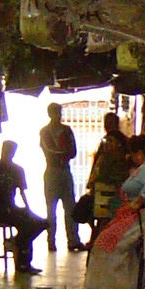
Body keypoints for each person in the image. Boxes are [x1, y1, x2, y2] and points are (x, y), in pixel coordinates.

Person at [0, 141, 48, 276]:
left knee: (41, 223)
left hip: (12, 208)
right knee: (27, 226)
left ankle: (16, 243)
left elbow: (22, 191)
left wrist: (28, 209)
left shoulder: (17, 170)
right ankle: (23, 261)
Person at [104, 135, 145, 289]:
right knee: (110, 246)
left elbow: (144, 195)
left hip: (138, 219)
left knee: (116, 251)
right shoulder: (141, 169)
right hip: (130, 217)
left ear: (140, 153)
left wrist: (136, 203)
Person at [39, 103, 84, 252]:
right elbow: (50, 151)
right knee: (51, 209)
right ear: (49, 113)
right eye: (56, 112)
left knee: (70, 208)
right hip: (53, 171)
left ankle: (73, 240)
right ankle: (51, 241)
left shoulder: (66, 130)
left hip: (63, 170)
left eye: (59, 112)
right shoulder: (44, 132)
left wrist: (59, 153)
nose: (59, 115)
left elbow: (72, 151)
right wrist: (61, 153)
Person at [86, 112, 130, 233]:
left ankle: (96, 238)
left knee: (99, 215)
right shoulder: (125, 142)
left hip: (106, 186)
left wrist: (92, 182)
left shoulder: (107, 142)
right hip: (116, 187)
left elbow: (98, 165)